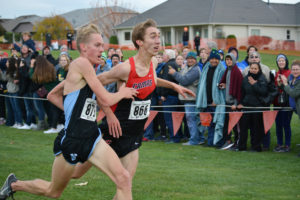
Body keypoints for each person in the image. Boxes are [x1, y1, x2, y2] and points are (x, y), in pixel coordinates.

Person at [47, 19, 194, 191]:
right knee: (75, 173)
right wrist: (108, 113)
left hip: (134, 133)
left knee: (125, 184)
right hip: (114, 131)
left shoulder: (153, 63)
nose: (158, 40)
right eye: (153, 36)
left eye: (159, 36)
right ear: (140, 42)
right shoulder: (124, 68)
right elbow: (95, 82)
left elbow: (150, 80)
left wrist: (174, 85)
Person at [0, 23, 138, 200]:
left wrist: (75, 112)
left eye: (102, 45)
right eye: (97, 45)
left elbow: (52, 95)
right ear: (83, 47)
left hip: (92, 137)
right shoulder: (81, 64)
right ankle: (13, 185)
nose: (101, 49)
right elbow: (105, 99)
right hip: (72, 139)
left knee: (124, 178)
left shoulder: (87, 71)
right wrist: (122, 93)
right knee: (53, 191)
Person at [169, 51, 201, 145]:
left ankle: (194, 140)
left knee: (191, 120)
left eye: (192, 58)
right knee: (191, 120)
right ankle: (197, 139)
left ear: (195, 60)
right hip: (187, 99)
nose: (190, 60)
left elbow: (184, 80)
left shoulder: (195, 70)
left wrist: (174, 73)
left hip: (191, 99)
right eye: (188, 58)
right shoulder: (187, 68)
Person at [196, 49, 225, 146]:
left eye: (215, 59)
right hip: (206, 101)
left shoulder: (222, 70)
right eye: (211, 58)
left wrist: (216, 100)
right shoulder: (206, 68)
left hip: (217, 102)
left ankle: (218, 142)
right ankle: (210, 142)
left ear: (219, 59)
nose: (213, 61)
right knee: (208, 123)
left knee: (217, 122)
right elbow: (202, 84)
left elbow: (222, 87)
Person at [238, 62, 268, 152]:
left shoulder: (262, 78)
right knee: (243, 128)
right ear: (249, 69)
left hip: (257, 107)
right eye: (252, 68)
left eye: (255, 68)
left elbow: (264, 92)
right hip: (246, 107)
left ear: (259, 70)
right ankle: (242, 147)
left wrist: (255, 84)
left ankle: (256, 147)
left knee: (256, 129)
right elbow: (242, 92)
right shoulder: (245, 79)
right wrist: (240, 103)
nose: (253, 70)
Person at [218, 53, 243, 150]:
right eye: (226, 59)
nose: (228, 61)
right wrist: (222, 85)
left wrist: (235, 104)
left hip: (233, 103)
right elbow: (224, 82)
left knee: (235, 125)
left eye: (230, 59)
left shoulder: (236, 72)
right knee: (227, 124)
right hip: (227, 102)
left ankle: (237, 143)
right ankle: (228, 141)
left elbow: (239, 90)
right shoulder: (227, 70)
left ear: (233, 60)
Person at [277, 60, 300, 156]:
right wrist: (281, 84)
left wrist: (285, 84)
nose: (295, 71)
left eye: (297, 69)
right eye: (293, 69)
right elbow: (288, 90)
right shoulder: (292, 78)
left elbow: (294, 93)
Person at [273, 54, 292, 153]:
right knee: (278, 124)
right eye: (279, 61)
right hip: (277, 103)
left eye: (282, 60)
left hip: (286, 103)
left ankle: (287, 144)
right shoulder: (275, 73)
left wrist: (283, 83)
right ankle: (280, 144)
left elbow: (290, 88)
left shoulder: (290, 73)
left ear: (286, 62)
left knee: (286, 124)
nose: (281, 62)